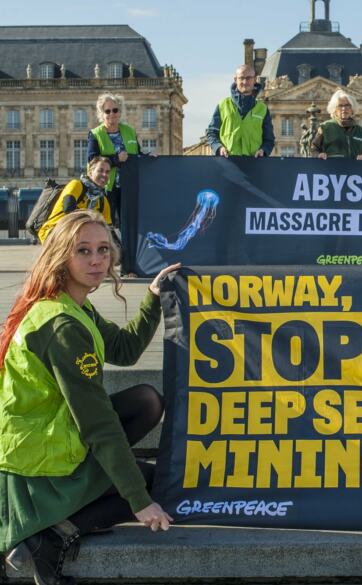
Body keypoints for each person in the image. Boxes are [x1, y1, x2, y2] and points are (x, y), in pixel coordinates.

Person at [0, 210, 179, 585]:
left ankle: (58, 519)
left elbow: (125, 350)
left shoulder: (71, 303)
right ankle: (50, 535)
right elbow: (98, 424)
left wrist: (151, 297)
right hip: (38, 469)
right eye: (83, 251)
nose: (97, 259)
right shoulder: (63, 327)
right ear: (61, 257)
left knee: (147, 400)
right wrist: (139, 502)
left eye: (103, 249)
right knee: (149, 484)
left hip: (42, 442)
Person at [87, 93, 154, 227]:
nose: (112, 113)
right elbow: (92, 160)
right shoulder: (95, 134)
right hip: (106, 187)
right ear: (102, 113)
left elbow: (137, 154)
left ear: (120, 111)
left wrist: (149, 157)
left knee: (129, 224)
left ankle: (127, 248)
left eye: (115, 110)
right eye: (108, 111)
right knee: (106, 224)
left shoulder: (129, 131)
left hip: (128, 186)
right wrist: (116, 159)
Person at [38, 157, 113, 244]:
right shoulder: (76, 185)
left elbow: (109, 231)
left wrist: (121, 251)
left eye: (107, 172)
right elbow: (68, 209)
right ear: (90, 172)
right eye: (100, 170)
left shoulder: (102, 201)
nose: (104, 174)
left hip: (76, 236)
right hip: (53, 232)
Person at [206, 64, 275, 159]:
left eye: (248, 78)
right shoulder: (223, 105)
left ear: (255, 80)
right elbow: (212, 133)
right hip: (228, 163)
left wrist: (263, 150)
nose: (245, 81)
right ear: (235, 80)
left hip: (254, 164)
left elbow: (269, 139)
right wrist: (219, 148)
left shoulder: (262, 109)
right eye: (241, 78)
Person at [310, 90, 362, 160]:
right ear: (334, 109)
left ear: (352, 109)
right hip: (331, 169)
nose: (344, 109)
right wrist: (318, 155)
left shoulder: (361, 132)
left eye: (347, 105)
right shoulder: (325, 127)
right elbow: (313, 148)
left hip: (355, 170)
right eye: (340, 106)